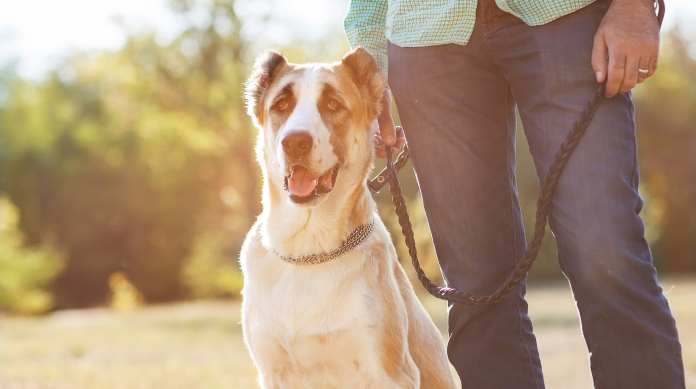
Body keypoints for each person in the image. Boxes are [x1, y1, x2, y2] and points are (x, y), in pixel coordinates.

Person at [344, 0, 685, 388]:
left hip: (565, 15)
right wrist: (368, 57)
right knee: (476, 288)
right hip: (426, 30)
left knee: (604, 251)